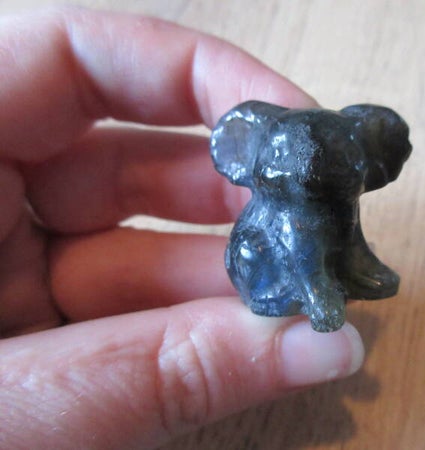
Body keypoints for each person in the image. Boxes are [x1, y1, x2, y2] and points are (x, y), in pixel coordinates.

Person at [0, 8, 364, 449]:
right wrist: (320, 297)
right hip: (267, 275)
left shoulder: (337, 198)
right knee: (295, 260)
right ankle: (302, 298)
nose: (308, 175)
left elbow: (347, 238)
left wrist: (356, 267)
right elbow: (302, 257)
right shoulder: (285, 212)